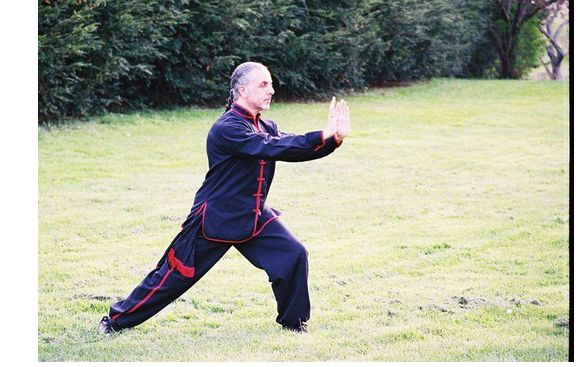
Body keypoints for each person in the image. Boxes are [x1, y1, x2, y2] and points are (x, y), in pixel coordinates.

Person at [98, 61, 351, 334]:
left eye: (271, 84)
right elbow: (271, 147)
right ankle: (115, 321)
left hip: (252, 214)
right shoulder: (227, 127)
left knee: (293, 254)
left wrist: (333, 138)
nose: (271, 90)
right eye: (263, 84)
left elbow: (291, 147)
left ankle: (293, 323)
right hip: (214, 219)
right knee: (173, 276)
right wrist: (323, 134)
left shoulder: (265, 125)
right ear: (242, 90)